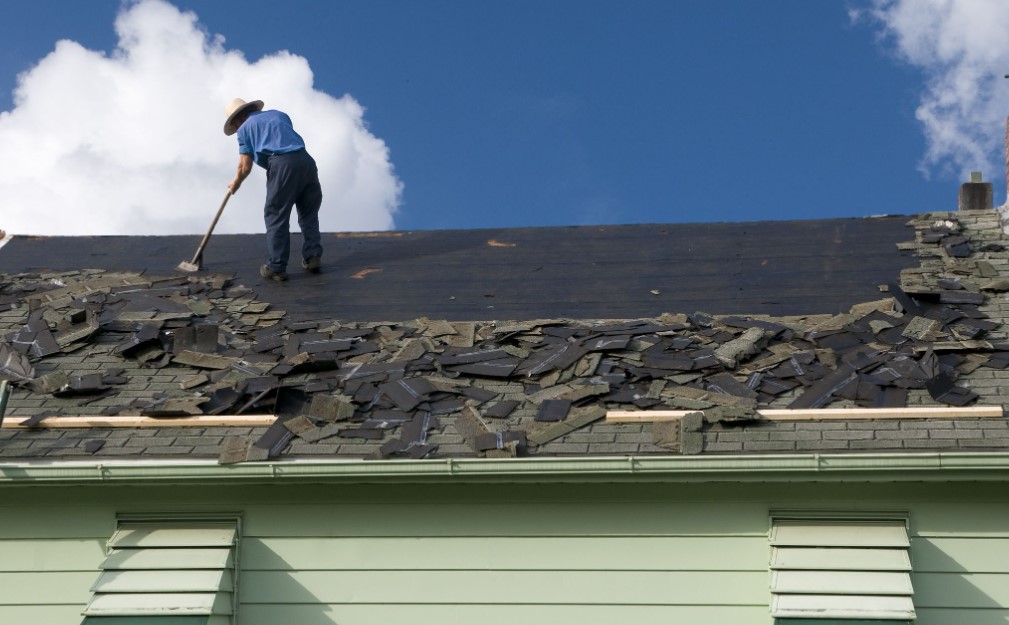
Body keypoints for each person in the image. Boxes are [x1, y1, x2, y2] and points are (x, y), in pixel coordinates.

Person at [224, 98, 323, 282]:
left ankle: (276, 267)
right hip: (306, 161)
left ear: (237, 120)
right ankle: (313, 256)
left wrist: (236, 182)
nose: (236, 128)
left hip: (282, 164)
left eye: (235, 124)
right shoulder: (279, 114)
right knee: (308, 213)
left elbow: (244, 167)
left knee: (275, 214)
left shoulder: (244, 129)